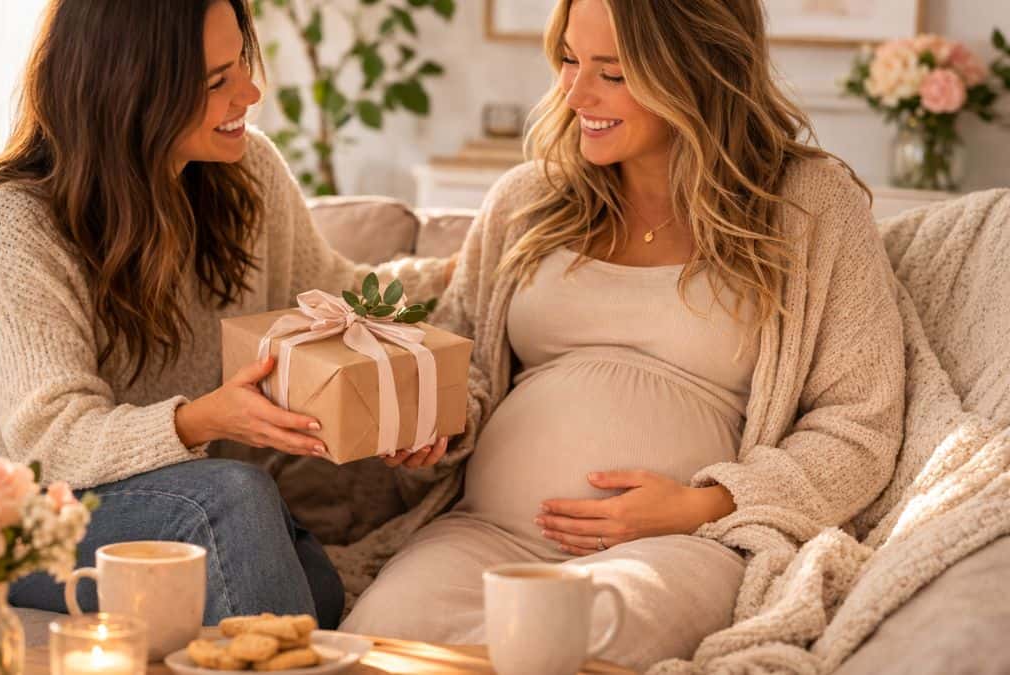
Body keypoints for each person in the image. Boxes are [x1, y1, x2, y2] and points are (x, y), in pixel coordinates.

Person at [341, 0, 905, 668]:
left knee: (570, 645)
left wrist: (705, 504)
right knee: (373, 637)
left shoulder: (808, 207)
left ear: (694, 71)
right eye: (570, 61)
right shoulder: (525, 201)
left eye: (611, 72)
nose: (576, 94)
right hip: (484, 537)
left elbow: (860, 424)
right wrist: (441, 420)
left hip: (677, 546)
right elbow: (465, 361)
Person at [0, 0, 452, 629]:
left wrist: (477, 266)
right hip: (19, 511)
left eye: (242, 64)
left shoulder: (247, 173)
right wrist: (200, 420)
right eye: (216, 82)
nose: (251, 92)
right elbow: (52, 441)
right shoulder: (21, 217)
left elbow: (335, 296)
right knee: (232, 505)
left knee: (311, 583)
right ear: (133, 91)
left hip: (178, 497)